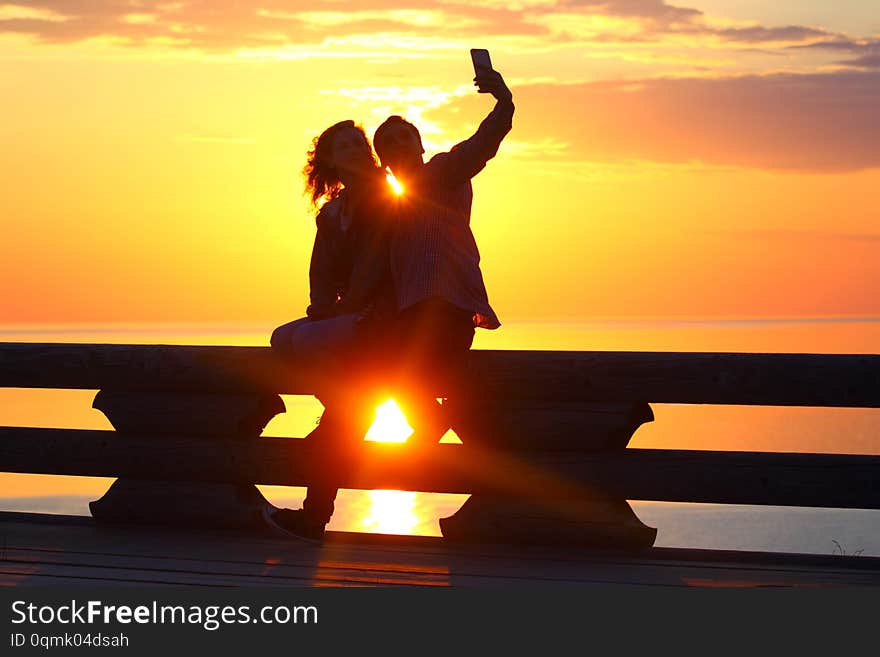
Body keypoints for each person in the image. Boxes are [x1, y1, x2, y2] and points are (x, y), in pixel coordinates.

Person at [267, 120, 397, 541]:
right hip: (346, 322)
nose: (357, 149)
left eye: (360, 143)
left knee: (341, 422)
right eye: (345, 145)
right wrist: (322, 307)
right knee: (284, 338)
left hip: (381, 319)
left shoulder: (388, 196)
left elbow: (378, 263)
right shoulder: (334, 212)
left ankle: (313, 517)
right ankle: (313, 516)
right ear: (329, 159)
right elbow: (320, 270)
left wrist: (349, 310)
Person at [371, 67, 514, 445]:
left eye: (407, 137)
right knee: (389, 372)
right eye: (390, 141)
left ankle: (429, 439)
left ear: (420, 146)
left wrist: (504, 102)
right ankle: (451, 446)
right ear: (383, 158)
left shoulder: (441, 173)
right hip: (410, 309)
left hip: (447, 304)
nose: (400, 143)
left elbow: (480, 146)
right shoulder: (387, 205)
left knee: (406, 376)